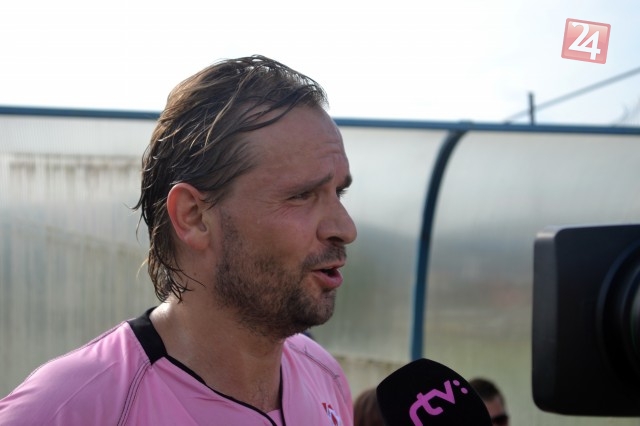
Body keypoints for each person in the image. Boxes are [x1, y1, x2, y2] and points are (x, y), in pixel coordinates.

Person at [0, 55, 357, 425]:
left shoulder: (324, 376)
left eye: (339, 193)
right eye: (301, 195)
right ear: (194, 216)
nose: (345, 228)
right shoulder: (68, 410)